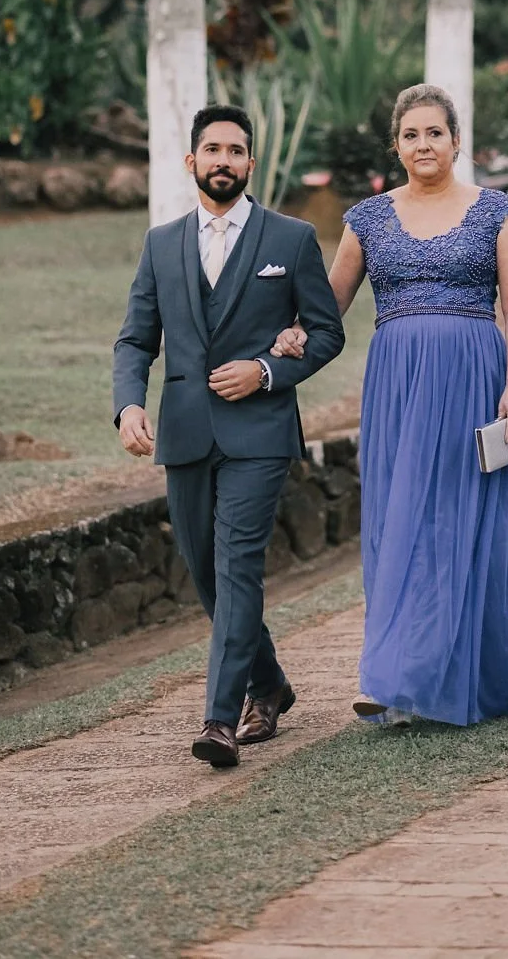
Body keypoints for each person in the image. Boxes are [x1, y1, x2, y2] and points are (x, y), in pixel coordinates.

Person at [273, 83, 508, 727]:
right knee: (401, 519)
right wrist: (294, 333)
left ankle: (449, 674)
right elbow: (328, 305)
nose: (424, 145)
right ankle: (394, 677)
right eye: (411, 135)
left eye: (435, 133)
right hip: (397, 386)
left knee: (460, 520)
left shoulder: (497, 212)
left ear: (456, 141)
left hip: (476, 380)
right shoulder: (366, 220)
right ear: (396, 147)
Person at [113, 105, 345, 767]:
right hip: (184, 432)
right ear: (192, 162)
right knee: (206, 574)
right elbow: (135, 339)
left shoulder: (292, 239)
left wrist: (268, 370)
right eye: (211, 149)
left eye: (236, 150)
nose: (224, 160)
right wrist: (129, 406)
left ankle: (220, 719)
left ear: (251, 163)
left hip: (260, 435)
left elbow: (326, 332)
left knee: (238, 566)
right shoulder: (161, 243)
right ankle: (270, 682)